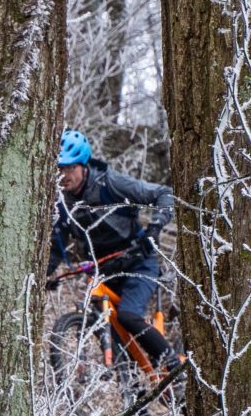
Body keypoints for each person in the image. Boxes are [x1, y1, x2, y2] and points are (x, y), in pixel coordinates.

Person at [47, 128, 177, 378]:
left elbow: (163, 194)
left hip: (138, 262)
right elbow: (57, 245)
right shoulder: (62, 204)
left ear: (83, 165)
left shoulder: (109, 183)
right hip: (104, 270)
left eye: (69, 168)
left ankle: (174, 367)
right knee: (118, 347)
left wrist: (154, 230)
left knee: (128, 316)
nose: (64, 176)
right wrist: (46, 276)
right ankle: (138, 407)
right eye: (59, 169)